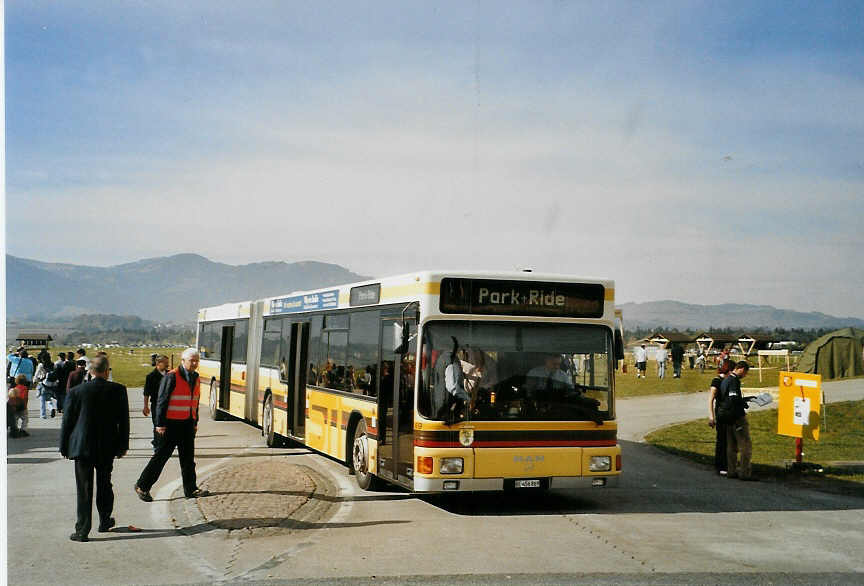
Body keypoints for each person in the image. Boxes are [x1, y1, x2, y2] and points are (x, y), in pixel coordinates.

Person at [60, 355, 130, 542]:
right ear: (107, 371)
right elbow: (123, 421)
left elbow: (67, 422)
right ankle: (105, 520)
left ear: (90, 371)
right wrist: (123, 445)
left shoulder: (76, 392)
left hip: (82, 446)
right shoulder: (118, 390)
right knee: (105, 484)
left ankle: (82, 530)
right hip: (107, 446)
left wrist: (64, 446)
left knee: (84, 488)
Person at [135, 348, 211, 502]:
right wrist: (160, 424)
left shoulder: (195, 377)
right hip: (170, 425)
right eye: (192, 360)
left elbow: (194, 401)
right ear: (183, 361)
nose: (195, 363)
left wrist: (194, 422)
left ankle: (191, 489)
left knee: (188, 459)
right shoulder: (172, 376)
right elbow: (162, 401)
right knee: (161, 457)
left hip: (187, 424)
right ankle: (142, 485)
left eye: (197, 360)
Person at [719, 361, 756, 481]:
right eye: (745, 372)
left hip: (727, 417)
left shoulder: (725, 380)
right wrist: (743, 403)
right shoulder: (734, 381)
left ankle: (731, 470)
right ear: (740, 369)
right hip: (737, 417)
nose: (745, 375)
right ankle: (744, 472)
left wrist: (745, 398)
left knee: (731, 446)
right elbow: (734, 398)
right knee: (745, 445)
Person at [707, 359, 734, 476]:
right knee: (722, 441)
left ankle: (728, 465)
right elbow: (711, 399)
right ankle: (720, 466)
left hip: (729, 414)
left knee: (729, 441)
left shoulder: (729, 380)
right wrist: (711, 417)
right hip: (721, 414)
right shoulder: (717, 381)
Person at [142, 355, 169, 450]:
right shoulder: (151, 377)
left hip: (169, 405)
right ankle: (157, 445)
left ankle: (162, 443)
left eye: (167, 362)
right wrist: (145, 406)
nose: (167, 364)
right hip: (156, 405)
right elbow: (146, 393)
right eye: (165, 362)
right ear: (158, 363)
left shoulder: (170, 374)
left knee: (167, 425)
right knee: (157, 424)